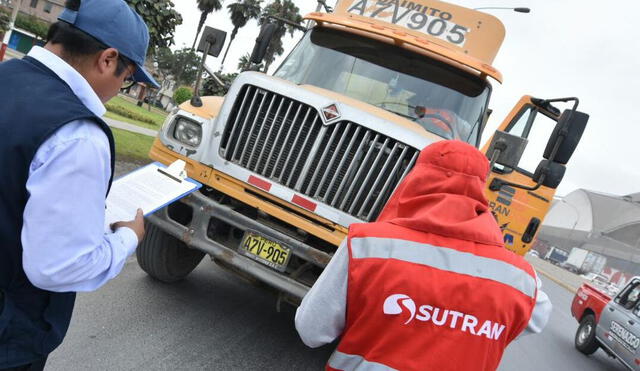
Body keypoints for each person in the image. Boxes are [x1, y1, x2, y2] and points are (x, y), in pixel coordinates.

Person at [295, 140, 552, 371]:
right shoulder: (521, 281)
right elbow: (536, 317)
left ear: (417, 178)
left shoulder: (366, 246)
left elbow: (312, 330)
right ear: (480, 190)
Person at [0, 0, 159, 369]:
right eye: (128, 78)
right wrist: (127, 239)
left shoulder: (5, 77)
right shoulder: (78, 135)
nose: (121, 88)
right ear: (107, 59)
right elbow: (57, 267)